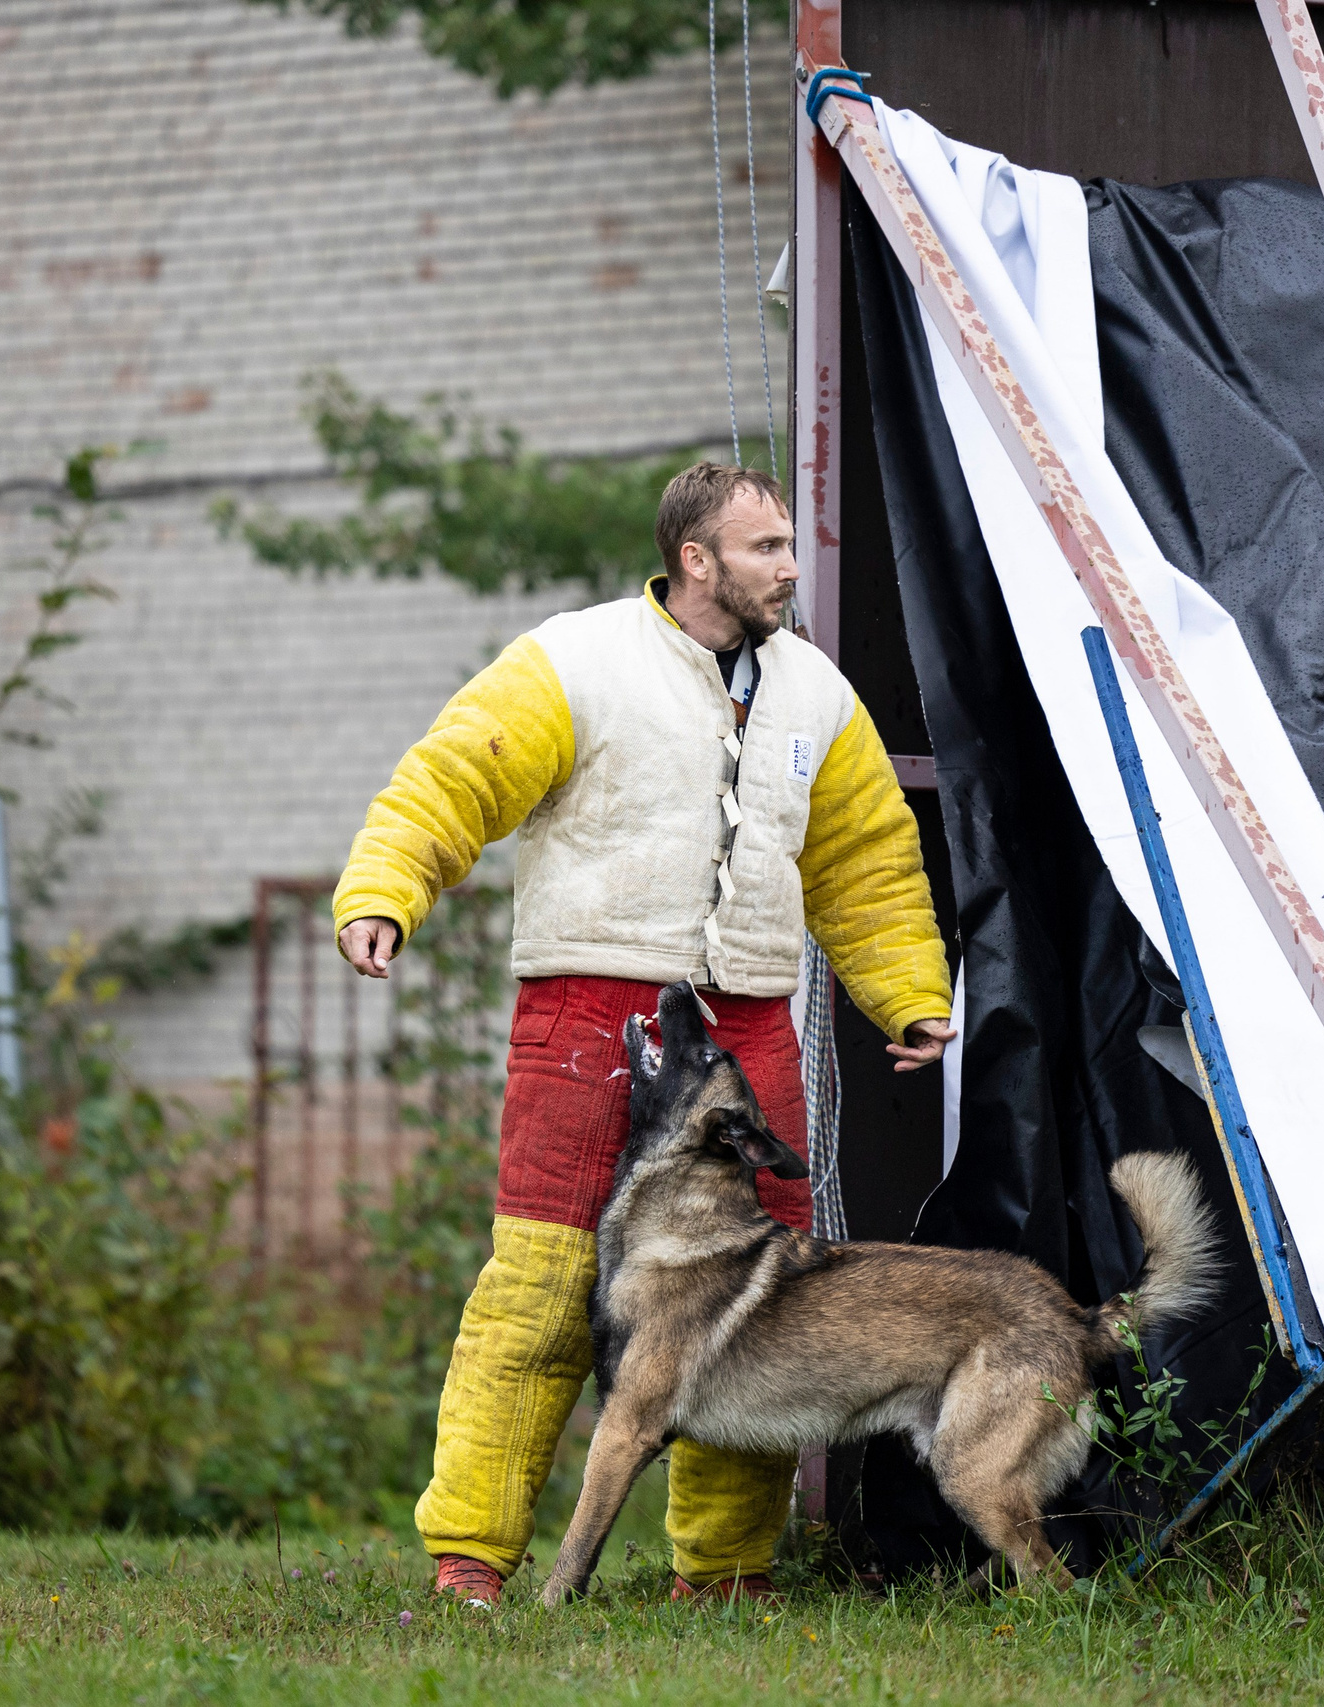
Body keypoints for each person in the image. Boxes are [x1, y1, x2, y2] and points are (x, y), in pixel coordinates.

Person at [333, 461, 955, 1607]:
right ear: (694, 560)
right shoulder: (573, 661)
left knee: (763, 1304)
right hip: (583, 1014)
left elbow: (864, 860)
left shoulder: (817, 693)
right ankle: (470, 1562)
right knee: (539, 1290)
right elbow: (447, 783)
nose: (789, 566)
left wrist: (908, 992)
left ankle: (723, 1573)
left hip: (752, 1023)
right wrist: (383, 894)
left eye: (788, 543)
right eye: (764, 547)